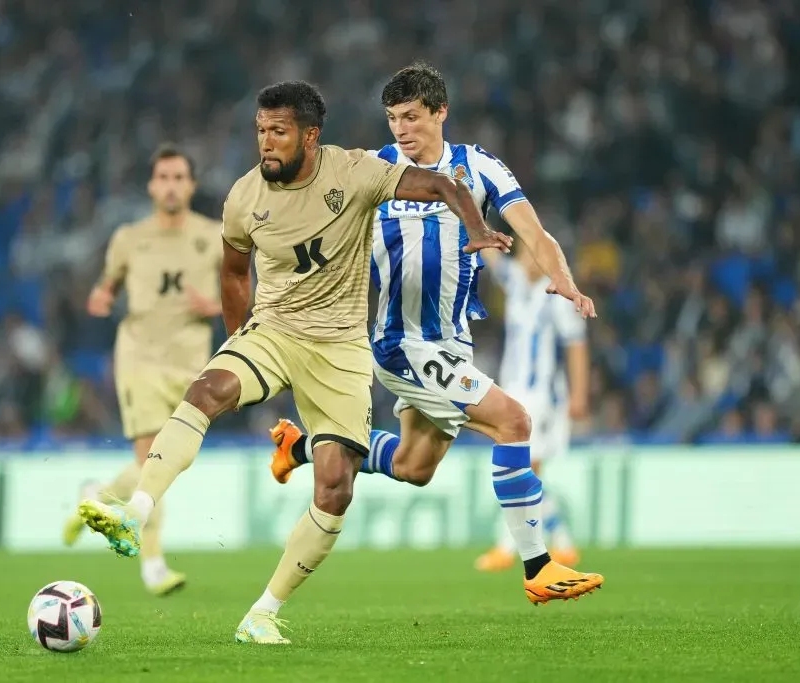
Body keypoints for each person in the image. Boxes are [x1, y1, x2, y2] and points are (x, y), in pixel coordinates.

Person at [77, 80, 511, 644]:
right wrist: (240, 344)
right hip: (275, 331)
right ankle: (135, 510)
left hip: (339, 350)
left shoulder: (353, 173)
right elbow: (234, 272)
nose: (266, 144)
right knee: (208, 390)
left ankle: (263, 611)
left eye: (278, 132)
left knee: (335, 486)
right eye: (260, 131)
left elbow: (437, 184)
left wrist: (477, 230)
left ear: (310, 135)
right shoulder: (244, 196)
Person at [267, 62, 604, 604]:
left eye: (412, 117)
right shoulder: (374, 169)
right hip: (401, 343)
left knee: (412, 466)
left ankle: (299, 445)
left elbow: (533, 231)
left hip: (450, 343)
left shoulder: (480, 168)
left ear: (440, 112)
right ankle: (539, 566)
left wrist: (564, 281)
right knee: (515, 422)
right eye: (393, 119)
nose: (401, 129)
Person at [61, 144, 222, 596]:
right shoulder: (129, 238)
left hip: (192, 365)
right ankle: (153, 566)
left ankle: (95, 496)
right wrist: (101, 297)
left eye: (178, 178)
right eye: (163, 178)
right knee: (152, 459)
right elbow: (106, 286)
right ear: (152, 186)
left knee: (171, 463)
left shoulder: (214, 236)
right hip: (141, 359)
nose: (170, 186)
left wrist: (209, 306)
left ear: (191, 185)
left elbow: (237, 295)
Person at [473, 242, 589, 571]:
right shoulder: (516, 282)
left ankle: (506, 547)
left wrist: (579, 396)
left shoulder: (558, 295)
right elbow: (490, 255)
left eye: (531, 253)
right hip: (513, 392)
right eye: (523, 253)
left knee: (522, 469)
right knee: (523, 471)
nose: (525, 259)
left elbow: (576, 345)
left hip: (542, 395)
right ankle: (563, 542)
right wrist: (463, 200)